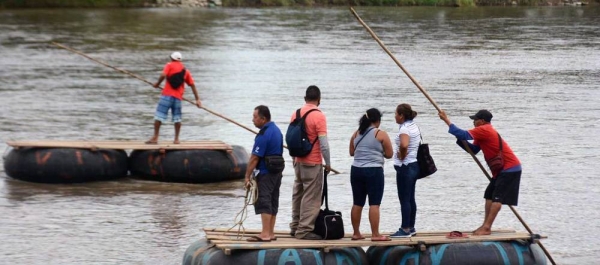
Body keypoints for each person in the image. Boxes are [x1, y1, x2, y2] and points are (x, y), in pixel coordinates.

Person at [438, 109, 522, 236]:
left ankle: (487, 227)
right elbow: (473, 150)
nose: (473, 122)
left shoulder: (485, 129)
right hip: (500, 170)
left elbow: (464, 134)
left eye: (475, 120)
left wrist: (446, 120)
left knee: (497, 198)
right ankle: (485, 225)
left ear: (482, 121)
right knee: (489, 195)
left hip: (510, 168)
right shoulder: (482, 133)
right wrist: (460, 139)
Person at [289, 85, 331, 240]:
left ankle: (295, 226)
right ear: (319, 100)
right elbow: (323, 143)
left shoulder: (296, 113)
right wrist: (328, 162)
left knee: (298, 194)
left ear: (305, 98)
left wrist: (294, 159)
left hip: (297, 161)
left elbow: (293, 138)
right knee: (311, 197)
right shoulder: (319, 116)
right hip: (312, 162)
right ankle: (304, 230)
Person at [348, 108, 393, 241]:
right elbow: (390, 154)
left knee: (357, 202)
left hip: (356, 170)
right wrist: (379, 153)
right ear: (377, 120)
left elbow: (352, 152)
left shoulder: (356, 134)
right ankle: (375, 234)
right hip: (374, 170)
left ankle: (356, 233)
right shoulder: (380, 134)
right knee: (374, 203)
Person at [244, 105, 284, 242]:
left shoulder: (264, 134)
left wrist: (247, 176)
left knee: (264, 200)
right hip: (277, 172)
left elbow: (254, 157)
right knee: (273, 200)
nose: (253, 120)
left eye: (255, 117)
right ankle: (270, 232)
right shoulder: (277, 131)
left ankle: (265, 234)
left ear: (263, 118)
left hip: (266, 172)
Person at [146, 52, 201, 144]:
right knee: (177, 119)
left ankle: (155, 137)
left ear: (171, 58)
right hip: (178, 98)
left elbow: (163, 75)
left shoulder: (169, 65)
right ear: (180, 60)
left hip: (166, 96)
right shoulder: (185, 71)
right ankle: (176, 139)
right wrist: (197, 100)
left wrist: (157, 84)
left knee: (159, 117)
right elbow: (192, 85)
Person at [390, 103, 421, 238]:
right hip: (414, 164)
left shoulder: (404, 129)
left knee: (404, 199)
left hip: (406, 166)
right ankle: (411, 226)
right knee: (410, 198)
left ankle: (405, 228)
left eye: (396, 114)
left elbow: (404, 144)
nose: (395, 116)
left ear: (401, 116)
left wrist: (401, 156)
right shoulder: (414, 126)